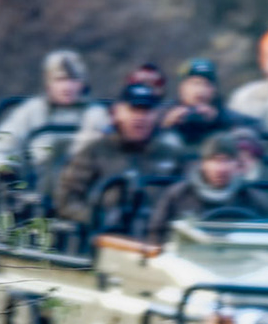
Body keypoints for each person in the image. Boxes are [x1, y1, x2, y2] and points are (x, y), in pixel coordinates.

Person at [54, 81, 185, 230]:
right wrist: (97, 218)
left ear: (155, 115)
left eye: (146, 111)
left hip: (157, 234)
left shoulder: (171, 155)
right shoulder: (94, 151)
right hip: (104, 234)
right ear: (117, 113)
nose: (139, 117)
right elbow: (66, 199)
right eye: (133, 110)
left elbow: (186, 200)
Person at [0, 50, 111, 185]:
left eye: (73, 80)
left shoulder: (96, 113)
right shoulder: (31, 112)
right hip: (37, 185)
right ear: (48, 83)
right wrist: (5, 170)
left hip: (87, 185)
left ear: (83, 83)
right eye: (60, 80)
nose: (67, 87)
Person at [146, 133, 268, 242]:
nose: (221, 168)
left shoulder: (253, 199)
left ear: (236, 164)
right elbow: (156, 235)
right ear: (203, 163)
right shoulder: (177, 195)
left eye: (227, 160)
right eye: (214, 160)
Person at [160, 59, 240, 148]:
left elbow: (244, 129)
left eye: (207, 85)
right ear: (182, 87)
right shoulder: (165, 111)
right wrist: (165, 125)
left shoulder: (226, 116)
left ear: (215, 90)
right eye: (195, 84)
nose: (200, 90)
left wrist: (217, 120)